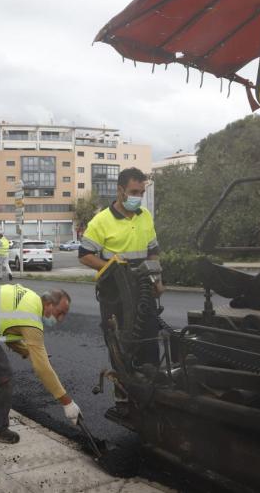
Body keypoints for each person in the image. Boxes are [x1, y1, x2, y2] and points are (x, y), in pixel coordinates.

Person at [0, 284, 81, 444]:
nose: (60, 319)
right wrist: (67, 402)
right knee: (1, 375)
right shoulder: (31, 318)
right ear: (48, 304)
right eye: (60, 313)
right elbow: (42, 368)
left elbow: (10, 334)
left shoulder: (30, 300)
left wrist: (28, 352)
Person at [78, 167, 163, 412]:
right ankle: (124, 397)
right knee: (120, 345)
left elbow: (153, 251)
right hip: (114, 295)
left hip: (143, 291)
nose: (138, 196)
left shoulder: (145, 216)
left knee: (149, 339)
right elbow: (85, 255)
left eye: (141, 192)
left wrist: (157, 279)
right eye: (134, 192)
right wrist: (114, 269)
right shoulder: (101, 221)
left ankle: (152, 392)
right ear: (120, 190)